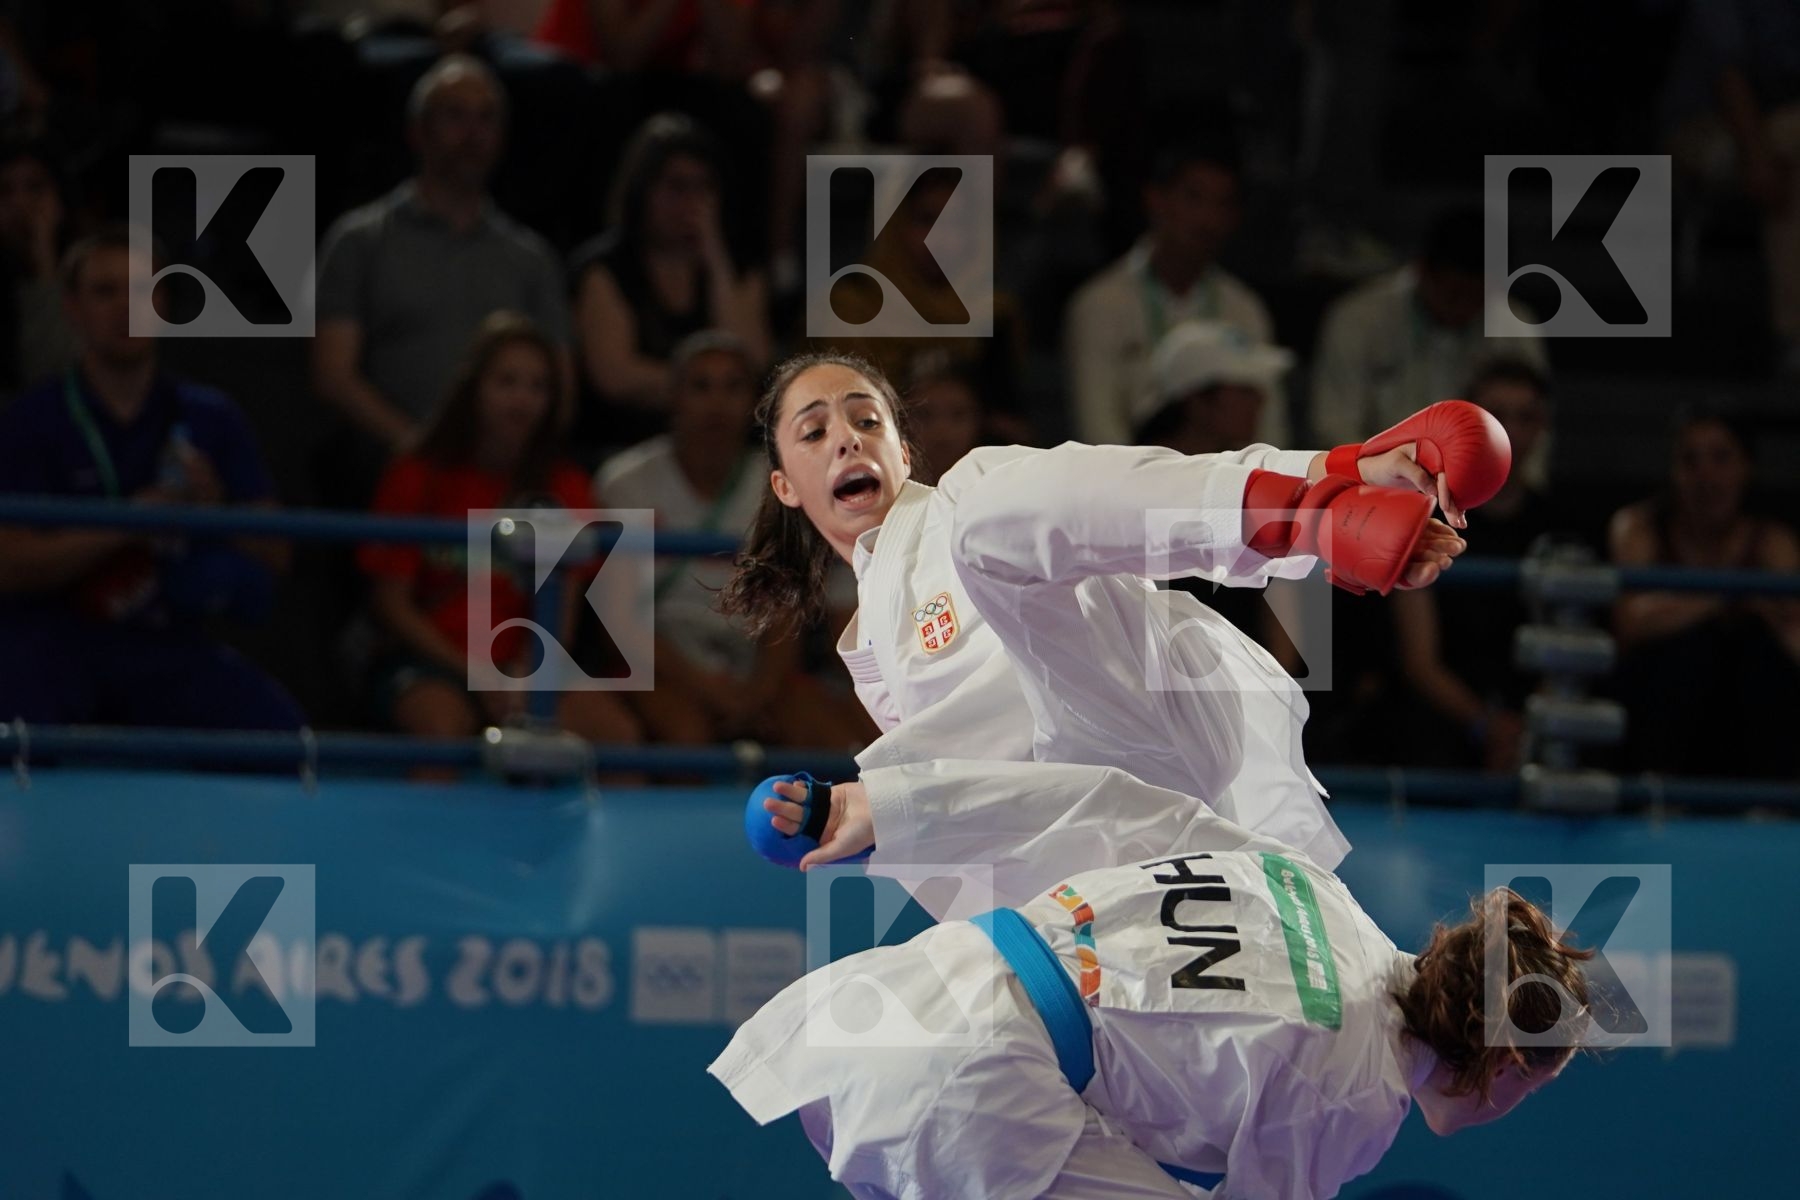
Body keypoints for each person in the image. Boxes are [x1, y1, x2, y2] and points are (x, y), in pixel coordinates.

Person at [722, 351, 1486, 873]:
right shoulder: (871, 651)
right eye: (815, 433)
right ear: (785, 483)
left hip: (1141, 721)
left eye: (867, 420)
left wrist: (1322, 472)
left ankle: (1315, 499)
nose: (847, 440)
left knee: (987, 503)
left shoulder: (965, 509)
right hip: (1113, 853)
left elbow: (1110, 500)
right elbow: (989, 784)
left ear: (904, 451)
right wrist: (861, 819)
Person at [715, 758, 1592, 1199]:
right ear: (1509, 1066)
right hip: (980, 1094)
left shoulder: (1311, 887)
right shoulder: (1357, 1098)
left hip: (903, 995)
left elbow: (1105, 801)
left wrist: (882, 805)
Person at [0, 229, 301, 730]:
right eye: (105, 291)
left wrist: (214, 510)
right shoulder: (32, 420)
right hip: (53, 644)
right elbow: (7, 565)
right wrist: (125, 525)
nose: (126, 307)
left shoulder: (212, 416)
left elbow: (278, 551)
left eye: (142, 290)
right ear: (72, 308)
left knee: (286, 746)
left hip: (169, 644)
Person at [358, 311, 643, 750]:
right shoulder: (415, 473)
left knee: (617, 735)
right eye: (507, 382)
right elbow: (391, 605)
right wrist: (474, 672)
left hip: (525, 665)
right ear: (473, 387)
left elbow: (562, 606)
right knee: (440, 728)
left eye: (537, 386)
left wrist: (521, 675)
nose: (522, 400)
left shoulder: (565, 484)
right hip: (430, 660)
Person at [594, 330, 871, 747]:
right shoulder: (625, 484)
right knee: (686, 733)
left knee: (833, 739)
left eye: (732, 387)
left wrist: (755, 694)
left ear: (754, 404)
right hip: (659, 665)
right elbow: (620, 621)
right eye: (700, 386)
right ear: (674, 398)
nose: (716, 403)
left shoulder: (785, 483)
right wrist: (710, 690)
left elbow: (786, 610)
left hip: (758, 669)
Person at [313, 54, 573, 500]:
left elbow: (561, 387)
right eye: (455, 115)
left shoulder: (531, 258)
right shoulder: (360, 240)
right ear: (417, 131)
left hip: (502, 477)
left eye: (486, 119)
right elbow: (333, 375)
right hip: (388, 462)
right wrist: (420, 449)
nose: (473, 133)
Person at [1607, 403, 1800, 778]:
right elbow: (1630, 623)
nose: (1706, 476)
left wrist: (1776, 621)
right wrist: (1729, 593)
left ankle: (1765, 802)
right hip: (1662, 713)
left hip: (1747, 723)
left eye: (1721, 458)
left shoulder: (1772, 543)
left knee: (1760, 653)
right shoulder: (1638, 528)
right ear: (1673, 471)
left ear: (1747, 468)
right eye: (1690, 461)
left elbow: (1794, 635)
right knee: (1686, 651)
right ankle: (1658, 792)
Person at [1391, 359, 1559, 773]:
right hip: (1444, 715)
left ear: (1542, 428)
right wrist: (1488, 726)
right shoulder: (1420, 517)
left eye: (1525, 417)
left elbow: (1571, 645)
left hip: (1537, 719)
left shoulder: (1561, 527)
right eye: (1497, 416)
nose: (1511, 431)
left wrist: (1524, 727)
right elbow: (1420, 662)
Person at [570, 112, 771, 455]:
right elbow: (615, 377)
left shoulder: (738, 266)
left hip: (727, 449)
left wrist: (716, 261)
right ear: (642, 191)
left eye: (703, 187)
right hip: (629, 443)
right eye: (677, 187)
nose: (691, 203)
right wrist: (717, 393)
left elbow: (752, 362)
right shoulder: (605, 268)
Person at [1065, 134, 1284, 449]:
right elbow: (1100, 437)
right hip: (1128, 486)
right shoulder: (1099, 305)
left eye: (1222, 203)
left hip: (1231, 487)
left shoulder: (1245, 307)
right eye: (1194, 197)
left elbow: (1270, 432)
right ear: (1156, 199)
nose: (1207, 219)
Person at [1309, 205, 1549, 479]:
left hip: (1479, 492)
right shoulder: (1359, 320)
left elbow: (1534, 433)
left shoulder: (1514, 327)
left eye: (1479, 296)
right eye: (1456, 294)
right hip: (1375, 486)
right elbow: (1335, 427)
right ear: (1422, 272)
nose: (1464, 308)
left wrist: (1520, 506)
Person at [0, 137, 76, 404]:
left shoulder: (90, 275)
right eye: (5, 191)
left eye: (35, 188)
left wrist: (44, 262)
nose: (20, 203)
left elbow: (61, 380)